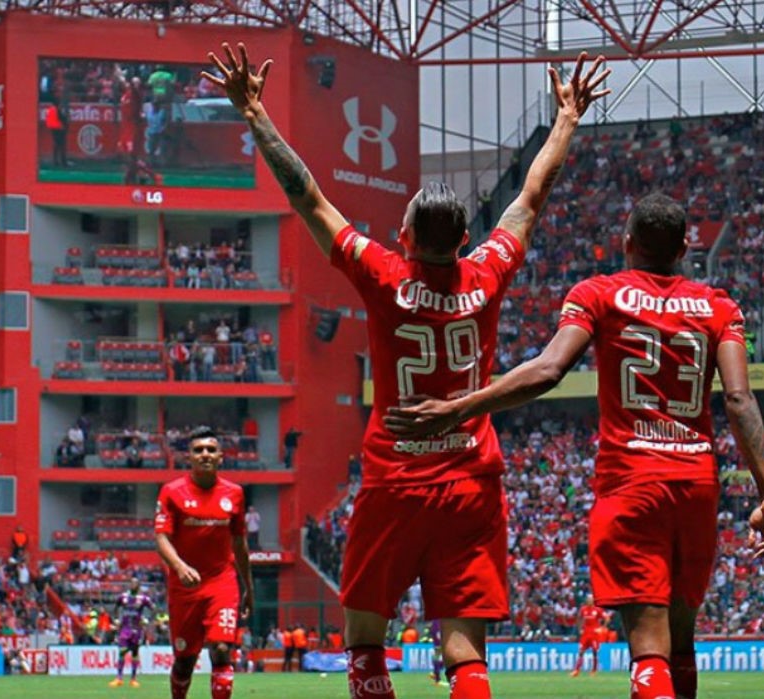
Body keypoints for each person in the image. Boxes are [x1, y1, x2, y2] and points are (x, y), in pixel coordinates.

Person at [204, 41, 610, 699]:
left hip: (395, 478)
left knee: (365, 640)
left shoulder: (384, 276)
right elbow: (531, 195)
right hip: (472, 479)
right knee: (465, 653)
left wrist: (255, 114)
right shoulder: (486, 274)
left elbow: (309, 198)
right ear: (463, 240)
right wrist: (566, 118)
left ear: (407, 237)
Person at [386, 192, 764, 699]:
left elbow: (549, 370)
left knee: (649, 646)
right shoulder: (719, 306)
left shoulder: (599, 294)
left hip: (632, 483)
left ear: (627, 243)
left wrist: (458, 408)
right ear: (685, 249)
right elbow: (739, 397)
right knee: (682, 640)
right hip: (696, 485)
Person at [155, 426, 253, 699]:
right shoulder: (171, 492)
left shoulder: (235, 493)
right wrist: (180, 567)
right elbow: (161, 537)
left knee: (221, 649)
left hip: (222, 582)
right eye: (198, 450)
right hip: (184, 587)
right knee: (185, 661)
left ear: (221, 456)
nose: (205, 454)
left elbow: (240, 544)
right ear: (189, 457)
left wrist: (248, 587)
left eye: (211, 449)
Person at [109, 578, 153, 688]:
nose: (133, 585)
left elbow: (153, 609)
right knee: (122, 651)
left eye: (135, 583)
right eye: (131, 583)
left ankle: (133, 679)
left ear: (138, 586)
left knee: (134, 652)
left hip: (137, 629)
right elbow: (115, 608)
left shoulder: (143, 598)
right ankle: (119, 678)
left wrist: (147, 619)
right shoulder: (123, 597)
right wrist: (116, 620)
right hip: (125, 628)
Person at [571, 595, 610, 677]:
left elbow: (607, 618)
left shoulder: (598, 609)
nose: (589, 601)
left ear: (593, 600)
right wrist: (580, 629)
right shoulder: (583, 609)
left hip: (594, 634)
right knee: (581, 651)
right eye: (588, 599)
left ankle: (594, 670)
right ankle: (576, 670)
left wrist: (602, 628)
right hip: (585, 633)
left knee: (594, 652)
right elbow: (579, 618)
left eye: (590, 599)